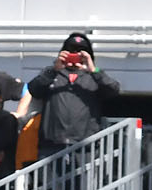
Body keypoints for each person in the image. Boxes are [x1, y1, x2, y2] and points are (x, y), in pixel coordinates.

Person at [29, 32, 118, 160]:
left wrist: (93, 70)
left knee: (83, 180)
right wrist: (54, 70)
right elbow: (34, 89)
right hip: (52, 145)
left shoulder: (93, 77)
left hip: (84, 146)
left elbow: (114, 90)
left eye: (80, 52)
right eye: (71, 51)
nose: (75, 54)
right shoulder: (52, 73)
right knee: (50, 180)